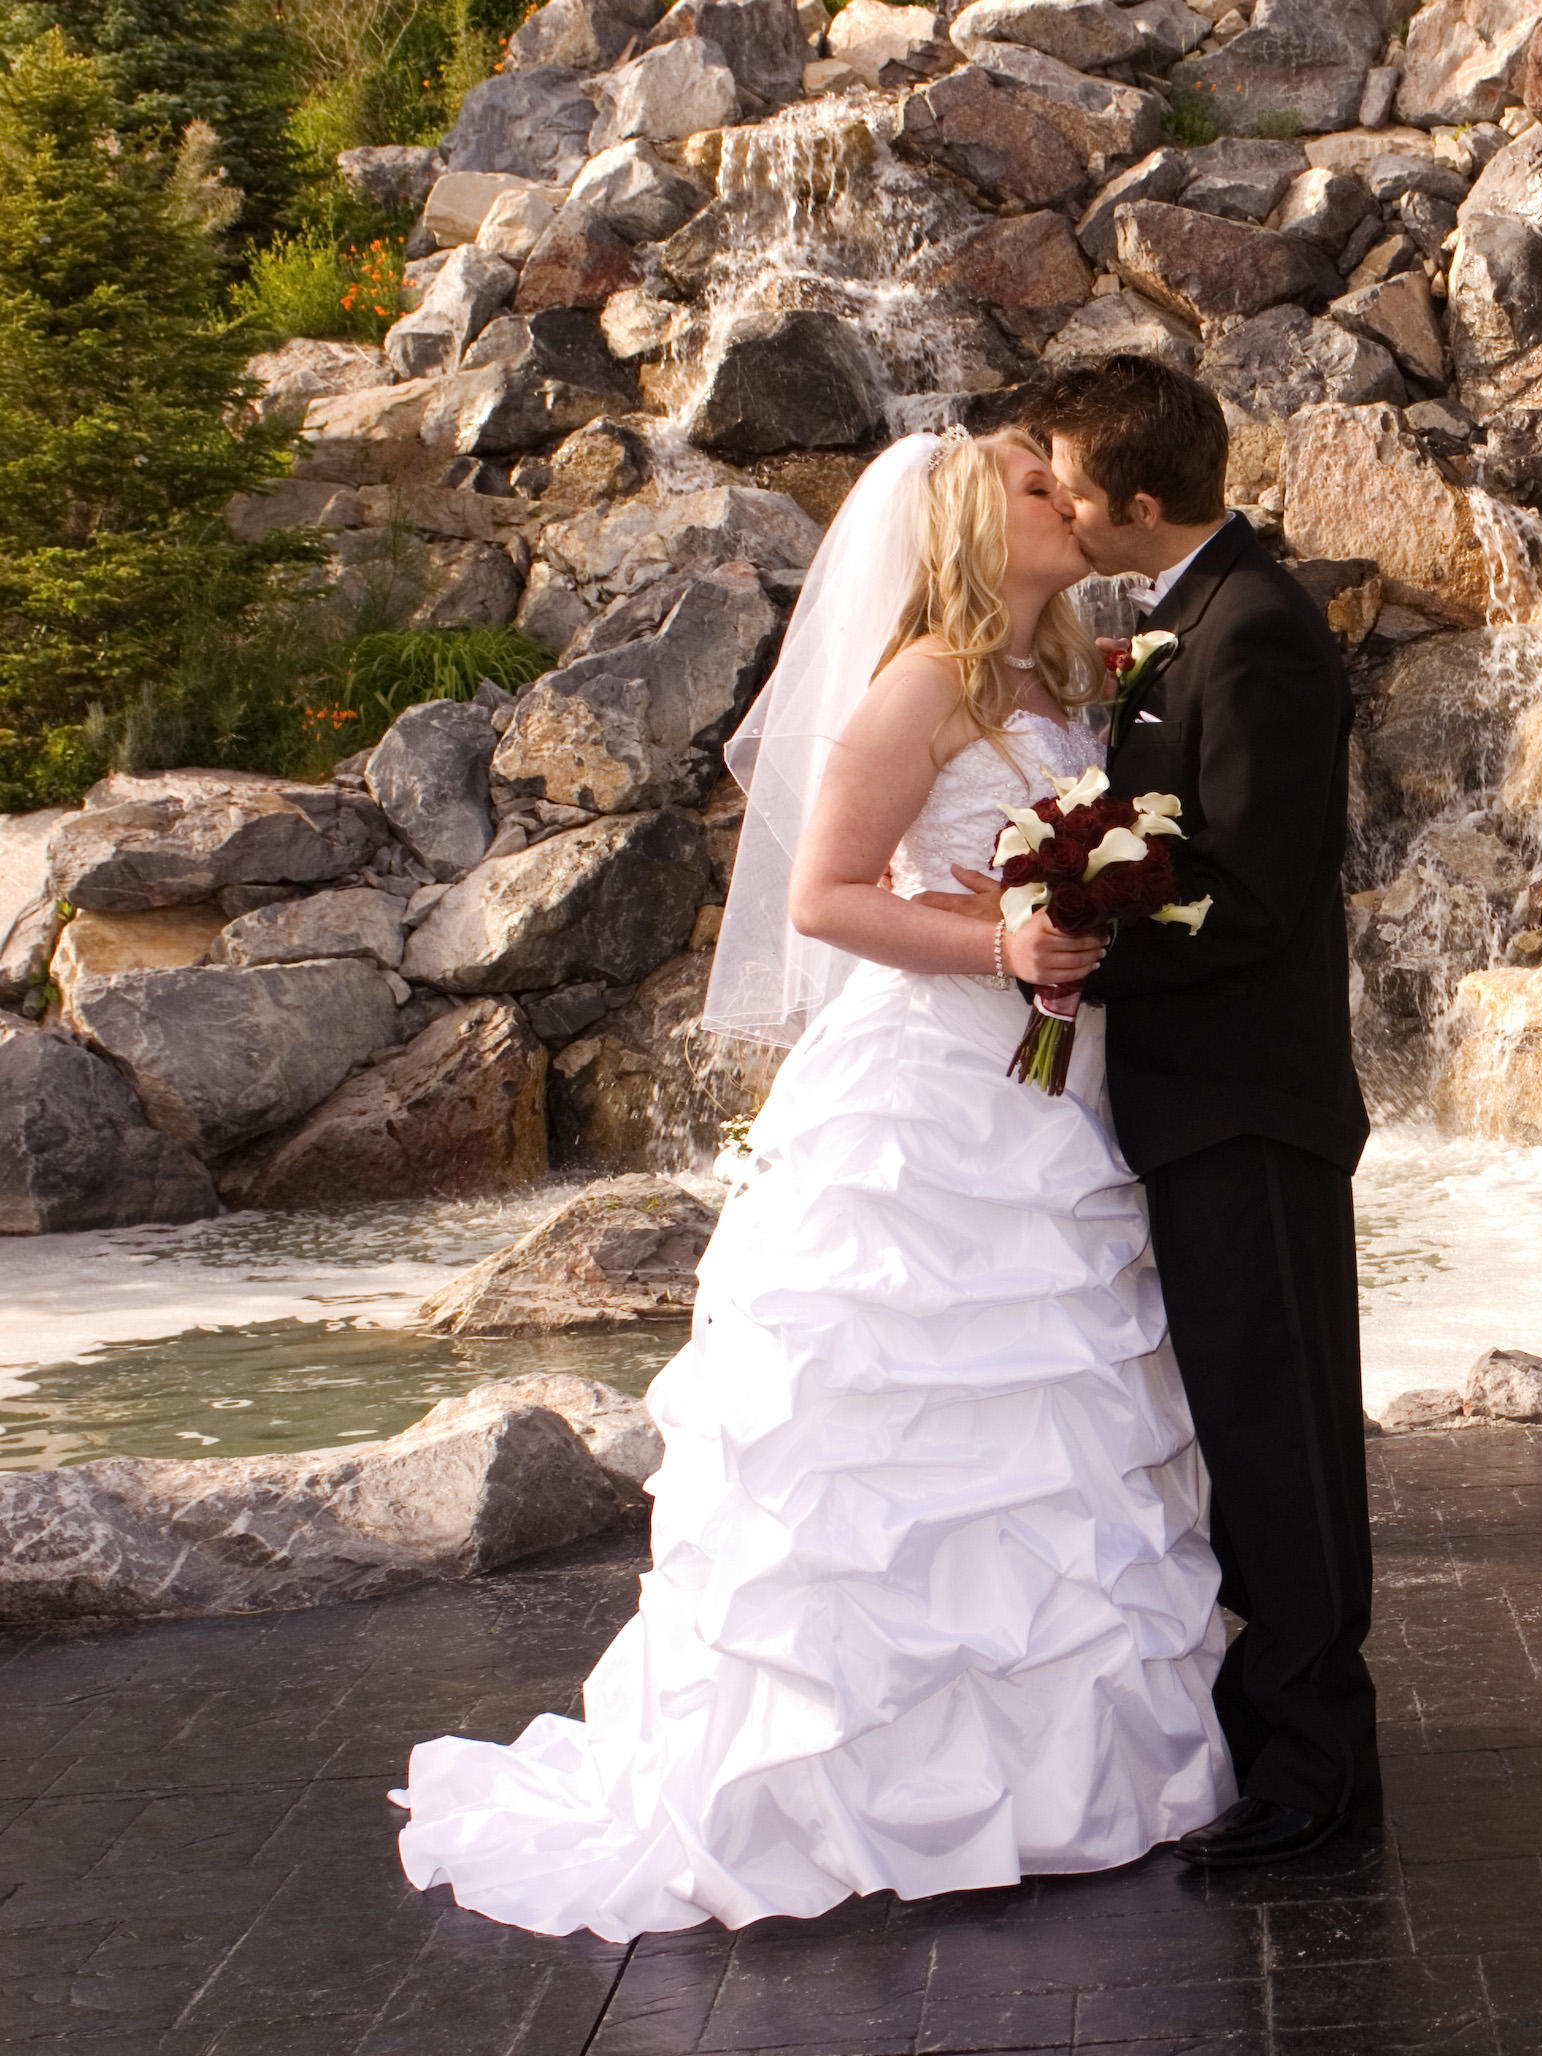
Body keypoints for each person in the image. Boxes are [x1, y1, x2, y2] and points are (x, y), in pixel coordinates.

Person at [390, 427, 1236, 1941]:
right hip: (924, 1108)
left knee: (1043, 1420)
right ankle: (840, 1784)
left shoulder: (1064, 680)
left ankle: (1058, 1774)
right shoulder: (921, 681)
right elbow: (822, 895)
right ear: (973, 530)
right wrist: (1002, 944)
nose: (1069, 499)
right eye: (1036, 488)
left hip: (1047, 1105)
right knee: (887, 1436)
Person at [1030, 355, 1380, 1867]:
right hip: (1200, 1103)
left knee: (1282, 1436)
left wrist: (1083, 936)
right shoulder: (1195, 620)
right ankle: (1284, 1735)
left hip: (1251, 1105)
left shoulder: (1256, 637)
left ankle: (1316, 1773)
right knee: (1241, 1423)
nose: (1057, 504)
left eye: (1070, 486)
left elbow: (1252, 894)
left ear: (1141, 504)